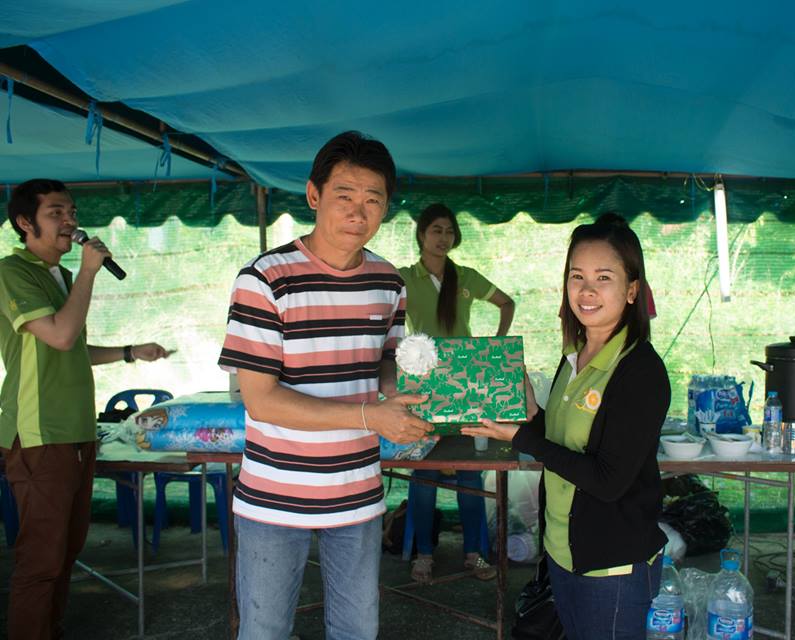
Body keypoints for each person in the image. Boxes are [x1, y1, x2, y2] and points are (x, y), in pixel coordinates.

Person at [218, 131, 433, 640]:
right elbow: (261, 400)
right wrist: (369, 416)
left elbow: (384, 363)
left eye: (373, 199)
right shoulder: (264, 279)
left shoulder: (388, 282)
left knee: (357, 630)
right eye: (344, 195)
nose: (358, 212)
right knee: (265, 630)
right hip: (274, 495)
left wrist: (416, 389)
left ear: (386, 207)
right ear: (314, 195)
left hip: (357, 491)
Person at [464, 213, 671, 639]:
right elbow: (561, 442)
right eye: (577, 276)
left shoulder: (640, 371)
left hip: (612, 567)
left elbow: (608, 480)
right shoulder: (575, 353)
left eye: (603, 278)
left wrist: (521, 437)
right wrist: (531, 413)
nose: (587, 290)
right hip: (562, 554)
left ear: (632, 289)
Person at [0, 179, 171, 640]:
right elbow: (60, 335)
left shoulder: (61, 276)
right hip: (39, 434)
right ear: (25, 223)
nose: (70, 221)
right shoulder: (11, 272)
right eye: (56, 213)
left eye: (72, 212)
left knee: (65, 551)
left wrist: (130, 352)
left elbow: (70, 348)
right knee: (41, 559)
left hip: (76, 431)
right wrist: (90, 272)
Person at [397, 203, 515, 583]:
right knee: (423, 473)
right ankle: (423, 555)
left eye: (449, 231)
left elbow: (506, 303)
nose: (443, 237)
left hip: (466, 387)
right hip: (422, 388)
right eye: (436, 230)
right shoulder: (403, 278)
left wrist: (495, 346)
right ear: (421, 234)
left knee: (470, 472)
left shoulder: (466, 276)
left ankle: (475, 554)